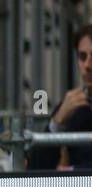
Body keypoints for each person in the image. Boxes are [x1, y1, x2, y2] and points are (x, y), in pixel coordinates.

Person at [30, 23, 92, 170]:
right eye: (82, 57)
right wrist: (57, 123)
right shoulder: (70, 107)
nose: (88, 65)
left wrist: (71, 171)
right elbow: (35, 169)